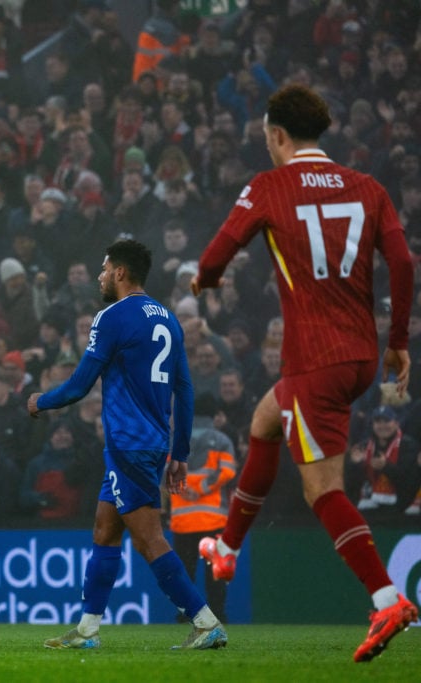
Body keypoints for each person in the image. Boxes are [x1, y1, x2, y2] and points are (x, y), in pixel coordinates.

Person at [191, 84, 418, 663]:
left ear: (277, 136)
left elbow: (215, 258)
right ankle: (228, 549)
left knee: (324, 490)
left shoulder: (270, 185)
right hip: (360, 354)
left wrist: (206, 282)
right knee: (267, 421)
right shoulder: (368, 188)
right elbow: (402, 261)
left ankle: (388, 597)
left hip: (315, 359)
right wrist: (397, 342)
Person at [28, 239, 227, 651]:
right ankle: (87, 629)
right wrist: (180, 453)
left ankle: (205, 621)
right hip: (152, 442)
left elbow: (80, 385)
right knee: (105, 529)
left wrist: (39, 401)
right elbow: (185, 390)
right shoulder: (169, 319)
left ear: (120, 272)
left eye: (103, 269)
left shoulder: (111, 317)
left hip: (127, 443)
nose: (100, 276)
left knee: (149, 538)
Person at [169, 422, 237, 624]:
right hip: (213, 519)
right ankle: (217, 614)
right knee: (215, 571)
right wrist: (202, 489)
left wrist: (183, 487)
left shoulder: (174, 440)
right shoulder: (221, 440)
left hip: (183, 519)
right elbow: (228, 471)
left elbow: (162, 471)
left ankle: (186, 615)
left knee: (184, 572)